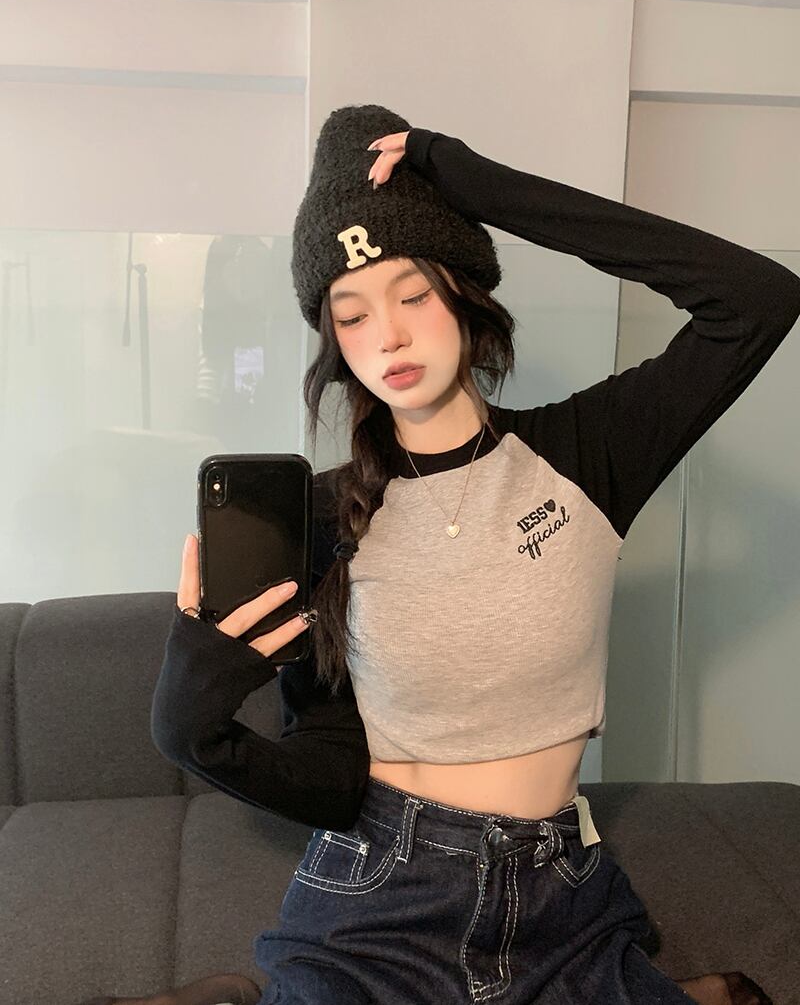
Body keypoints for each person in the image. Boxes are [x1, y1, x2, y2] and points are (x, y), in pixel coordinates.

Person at [91, 104, 800, 1005]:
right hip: (381, 889)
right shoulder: (326, 513)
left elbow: (757, 299)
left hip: (557, 897)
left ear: (464, 293)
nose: (386, 335)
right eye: (351, 315)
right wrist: (189, 727)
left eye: (413, 294)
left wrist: (481, 188)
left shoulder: (585, 455)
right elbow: (330, 772)